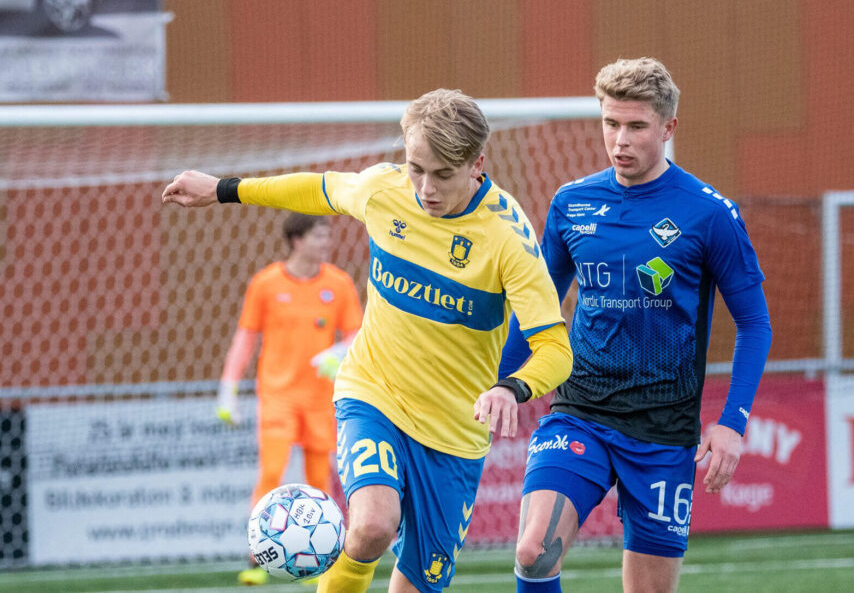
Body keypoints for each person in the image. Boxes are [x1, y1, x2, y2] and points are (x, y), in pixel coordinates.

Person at [162, 88, 573, 593]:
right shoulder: (385, 189)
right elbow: (318, 189)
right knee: (373, 525)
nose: (426, 189)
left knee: (419, 583)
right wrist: (225, 189)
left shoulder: (507, 238)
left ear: (477, 165)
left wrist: (512, 387)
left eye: (443, 174)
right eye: (416, 168)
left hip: (454, 433)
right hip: (373, 392)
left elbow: (556, 349)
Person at [499, 57, 773, 592]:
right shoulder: (572, 203)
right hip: (581, 411)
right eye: (610, 123)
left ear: (668, 128)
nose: (620, 140)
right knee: (534, 552)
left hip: (663, 431)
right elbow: (537, 307)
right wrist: (504, 384)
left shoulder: (709, 213)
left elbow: (755, 324)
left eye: (636, 126)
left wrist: (732, 423)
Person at [215, 213, 363, 586]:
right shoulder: (266, 283)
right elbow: (245, 338)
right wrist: (228, 389)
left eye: (327, 235)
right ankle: (256, 558)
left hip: (320, 398)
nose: (326, 242)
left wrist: (338, 352)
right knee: (271, 472)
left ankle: (323, 560)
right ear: (297, 240)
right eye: (318, 235)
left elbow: (358, 335)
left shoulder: (339, 283)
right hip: (277, 396)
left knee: (319, 478)